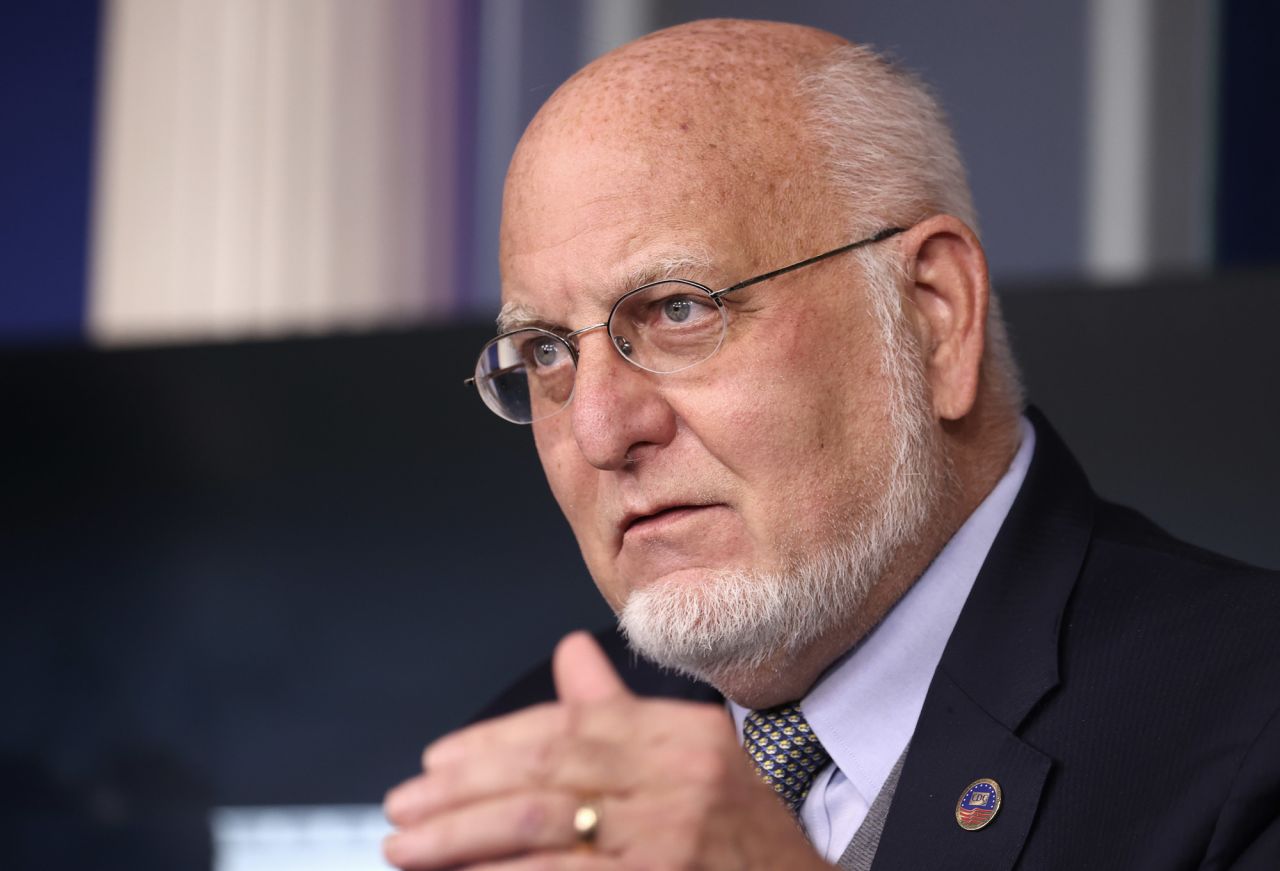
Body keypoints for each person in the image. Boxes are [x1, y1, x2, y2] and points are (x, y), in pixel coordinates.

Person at [382, 19, 1280, 870]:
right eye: (546, 352)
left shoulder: (1250, 718)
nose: (601, 430)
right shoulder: (536, 760)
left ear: (933, 316)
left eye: (678, 311)